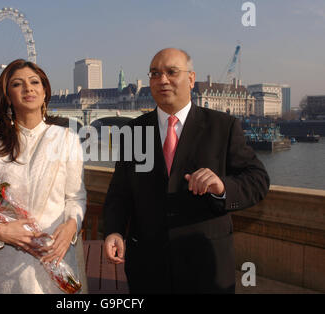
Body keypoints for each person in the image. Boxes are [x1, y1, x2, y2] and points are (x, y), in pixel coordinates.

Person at [103, 48, 270, 294]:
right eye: (155, 73)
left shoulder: (222, 126)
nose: (162, 80)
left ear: (191, 79)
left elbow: (258, 180)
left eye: (172, 72)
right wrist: (114, 230)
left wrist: (223, 187)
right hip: (147, 267)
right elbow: (119, 192)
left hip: (205, 266)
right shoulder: (134, 131)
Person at [0, 59, 88, 293]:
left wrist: (71, 226)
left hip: (56, 254)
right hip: (7, 261)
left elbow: (76, 197)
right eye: (17, 84)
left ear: (45, 92)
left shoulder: (67, 139)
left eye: (35, 82)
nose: (28, 88)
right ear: (7, 96)